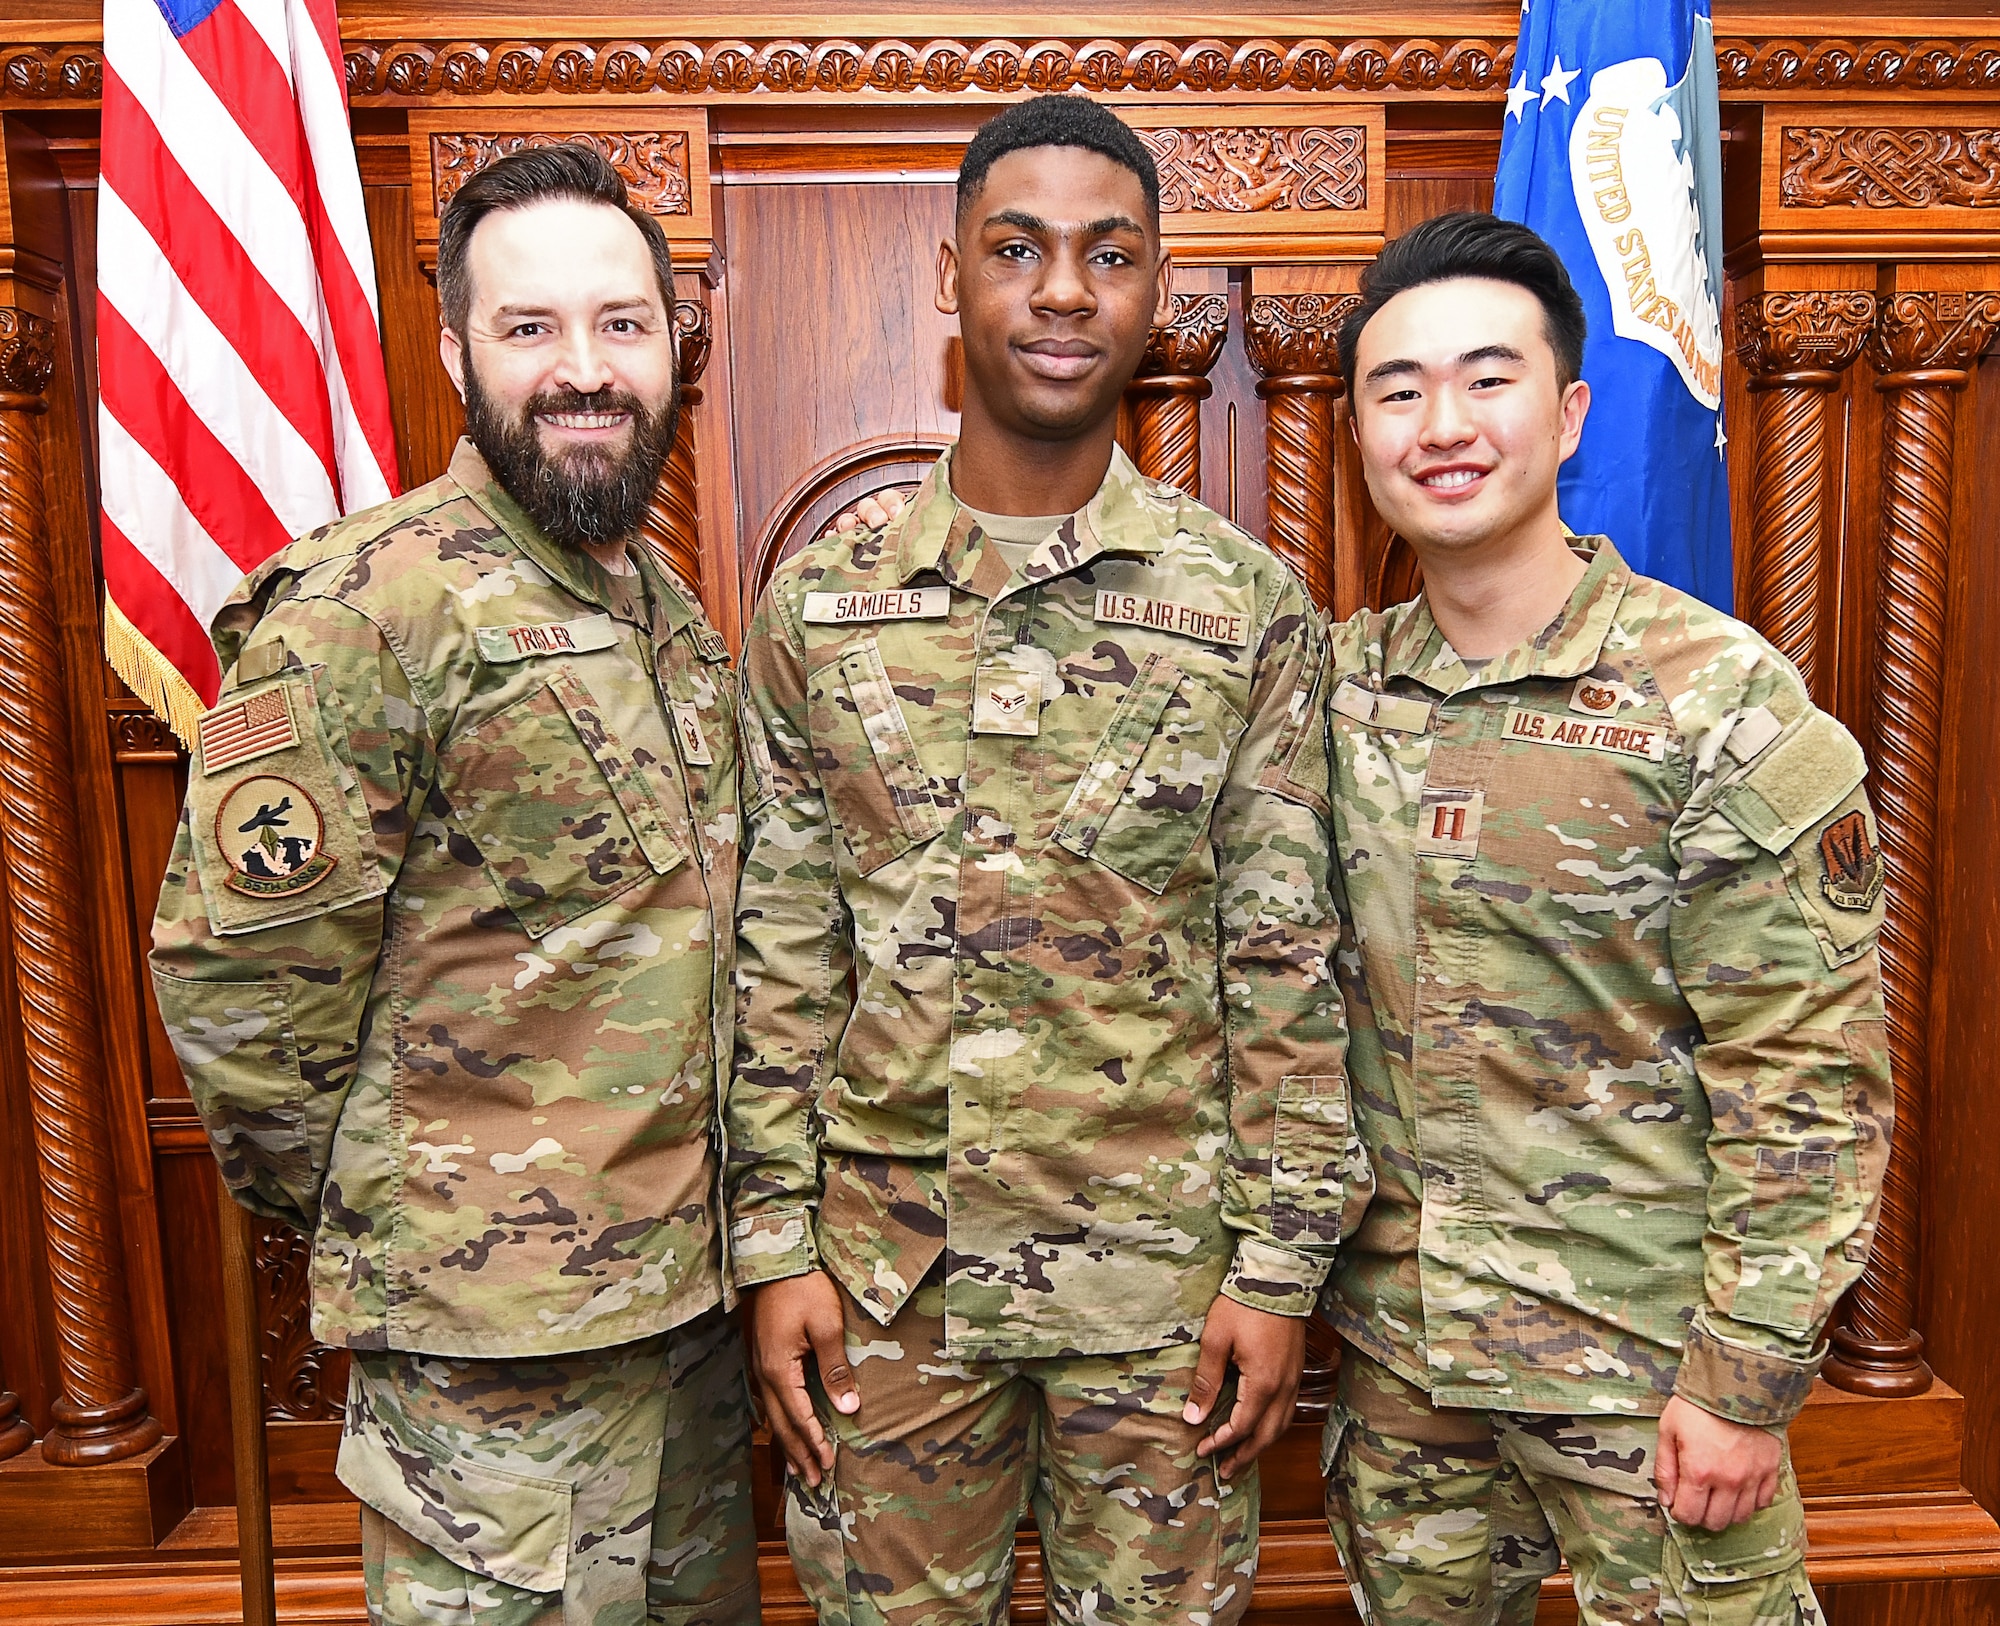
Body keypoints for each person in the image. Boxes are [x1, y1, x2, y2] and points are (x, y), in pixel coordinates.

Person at [728, 94, 1372, 1626]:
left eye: (1110, 253)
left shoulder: (1246, 610)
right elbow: (781, 956)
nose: (1065, 290)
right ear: (950, 280)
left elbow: (1285, 963)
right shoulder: (818, 608)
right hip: (886, 1291)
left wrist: (1279, 1269)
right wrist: (771, 1245)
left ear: (1158, 291)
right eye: (1018, 249)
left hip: (1162, 1307)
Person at [150, 145, 758, 1626]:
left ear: (675, 344)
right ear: (453, 347)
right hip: (491, 1379)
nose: (585, 371)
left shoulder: (666, 614)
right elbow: (243, 997)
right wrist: (415, 1229)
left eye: (621, 324)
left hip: (689, 1328)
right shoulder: (365, 610)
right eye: (530, 327)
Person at [1317, 210, 1892, 1625]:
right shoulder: (1320, 696)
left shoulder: (1717, 701)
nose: (1442, 423)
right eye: (1399, 391)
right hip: (1405, 1378)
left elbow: (1805, 1072)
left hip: (1647, 1382)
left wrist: (1746, 1378)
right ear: (1358, 432)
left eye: (1488, 377)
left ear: (1568, 412)